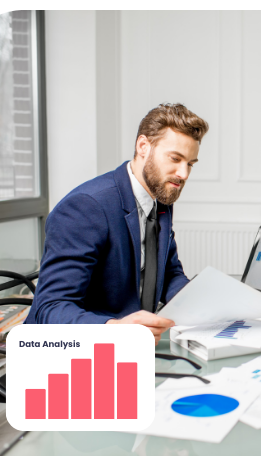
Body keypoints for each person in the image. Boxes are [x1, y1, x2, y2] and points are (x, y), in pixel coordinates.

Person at [25, 103, 209, 344]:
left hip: (135, 348)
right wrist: (115, 330)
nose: (183, 173)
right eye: (175, 158)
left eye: (191, 164)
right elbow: (49, 309)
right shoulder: (86, 207)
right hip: (75, 355)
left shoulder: (160, 198)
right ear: (143, 146)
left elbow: (170, 272)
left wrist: (199, 303)